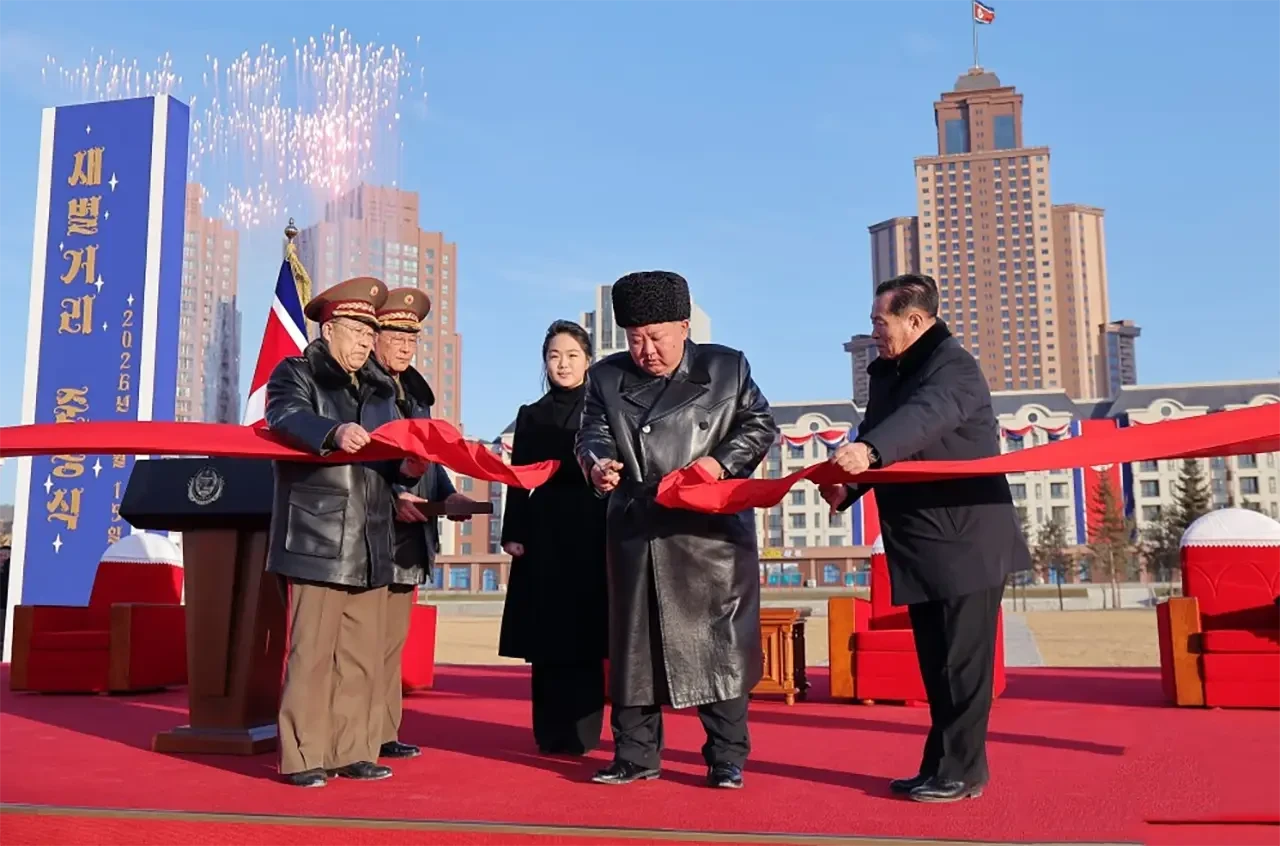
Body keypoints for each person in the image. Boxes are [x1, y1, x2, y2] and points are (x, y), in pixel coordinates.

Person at [819, 272, 1030, 804]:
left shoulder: (953, 368)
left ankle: (964, 772)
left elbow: (922, 420)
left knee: (963, 666)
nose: (874, 331)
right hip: (921, 541)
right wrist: (849, 487)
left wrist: (869, 453)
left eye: (880, 322)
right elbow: (879, 434)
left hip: (967, 539)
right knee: (937, 667)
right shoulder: (890, 374)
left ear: (914, 320)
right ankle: (938, 766)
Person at [575, 271, 777, 790]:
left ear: (684, 327)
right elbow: (592, 433)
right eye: (635, 338)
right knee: (634, 651)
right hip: (638, 529)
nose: (646, 350)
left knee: (719, 648)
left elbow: (759, 425)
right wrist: (598, 465)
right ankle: (634, 753)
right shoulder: (606, 377)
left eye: (657, 337)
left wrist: (719, 464)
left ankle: (726, 756)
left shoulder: (726, 368)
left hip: (709, 535)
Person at [265, 276, 425, 788]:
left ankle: (352, 749)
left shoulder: (379, 391)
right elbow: (284, 416)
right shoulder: (296, 373)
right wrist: (331, 432)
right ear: (329, 329)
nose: (364, 341)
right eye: (356, 330)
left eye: (369, 332)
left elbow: (390, 461)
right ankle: (303, 755)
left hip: (372, 538)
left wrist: (410, 470)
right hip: (319, 537)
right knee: (311, 654)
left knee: (360, 655)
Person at [369, 287, 476, 761]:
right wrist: (391, 495)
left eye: (412, 337)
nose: (405, 345)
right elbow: (359, 464)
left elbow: (425, 460)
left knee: (390, 646)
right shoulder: (363, 390)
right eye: (395, 335)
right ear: (374, 336)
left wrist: (449, 494)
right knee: (360, 646)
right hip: (371, 533)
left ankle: (382, 731)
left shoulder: (415, 395)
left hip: (410, 537)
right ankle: (352, 736)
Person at [498, 319, 609, 756]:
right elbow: (518, 477)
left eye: (572, 356)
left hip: (592, 527)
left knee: (586, 633)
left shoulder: (603, 409)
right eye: (554, 356)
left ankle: (582, 732)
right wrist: (513, 531)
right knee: (545, 634)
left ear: (588, 361)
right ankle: (548, 730)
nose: (562, 364)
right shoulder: (531, 413)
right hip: (543, 530)